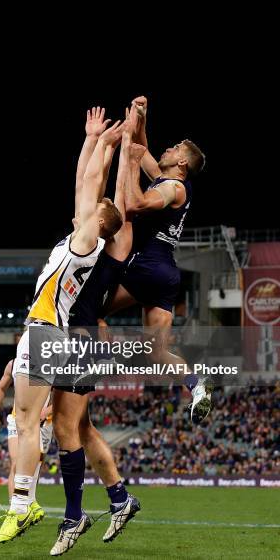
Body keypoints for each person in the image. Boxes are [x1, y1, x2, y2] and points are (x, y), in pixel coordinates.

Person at [0, 111, 124, 545]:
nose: (83, 209)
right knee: (31, 420)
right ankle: (25, 503)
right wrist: (93, 142)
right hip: (52, 332)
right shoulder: (78, 243)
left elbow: (90, 185)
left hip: (46, 330)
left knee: (29, 421)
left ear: (99, 220)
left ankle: (24, 505)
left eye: (92, 209)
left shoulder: (88, 241)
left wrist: (102, 146)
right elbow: (82, 185)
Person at [106, 96, 212, 422]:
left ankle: (104, 364)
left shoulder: (171, 188)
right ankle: (197, 388)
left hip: (148, 266)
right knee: (156, 354)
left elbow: (135, 204)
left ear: (182, 164)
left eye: (176, 148)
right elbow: (145, 147)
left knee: (89, 311)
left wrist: (132, 164)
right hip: (166, 273)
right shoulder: (169, 181)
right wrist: (141, 118)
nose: (169, 149)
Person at [0, 359, 53, 544]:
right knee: (17, 464)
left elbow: (62, 397)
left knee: (34, 466)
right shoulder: (14, 363)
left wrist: (47, 411)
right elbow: (1, 387)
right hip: (19, 421)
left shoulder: (53, 362)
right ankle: (16, 511)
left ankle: (30, 502)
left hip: (45, 423)